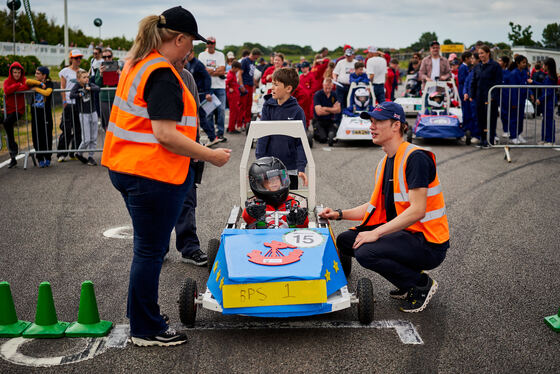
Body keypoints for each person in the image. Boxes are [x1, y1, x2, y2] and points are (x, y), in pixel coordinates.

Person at [101, 6, 231, 347]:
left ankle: (140, 316)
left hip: (126, 168)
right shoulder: (161, 72)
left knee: (147, 250)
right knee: (150, 251)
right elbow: (165, 133)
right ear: (179, 39)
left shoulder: (137, 63)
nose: (192, 52)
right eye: (191, 44)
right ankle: (146, 328)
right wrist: (211, 156)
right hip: (151, 174)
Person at [319, 101, 449, 313]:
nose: (372, 126)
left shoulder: (415, 158)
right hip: (405, 234)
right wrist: (339, 214)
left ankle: (419, 284)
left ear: (396, 125)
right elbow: (373, 207)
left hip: (428, 242)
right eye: (371, 121)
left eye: (378, 121)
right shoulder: (385, 162)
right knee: (345, 241)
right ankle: (406, 280)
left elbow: (418, 210)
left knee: (365, 251)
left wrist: (376, 233)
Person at [172, 58, 207, 266]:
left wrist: (197, 143)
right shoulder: (157, 75)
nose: (185, 59)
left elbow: (194, 113)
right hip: (162, 151)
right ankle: (158, 249)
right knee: (160, 203)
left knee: (187, 199)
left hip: (186, 148)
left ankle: (189, 248)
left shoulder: (187, 77)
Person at [255, 67, 308, 189]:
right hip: (270, 167)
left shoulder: (297, 112)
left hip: (290, 168)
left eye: (276, 85)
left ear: (288, 89)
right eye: (272, 84)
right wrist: (260, 163)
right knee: (269, 200)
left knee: (289, 201)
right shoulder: (268, 107)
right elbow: (263, 136)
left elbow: (301, 142)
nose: (272, 88)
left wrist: (301, 167)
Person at [242, 157, 309, 229]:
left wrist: (300, 218)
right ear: (260, 184)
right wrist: (251, 212)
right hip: (261, 238)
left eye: (277, 179)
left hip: (285, 237)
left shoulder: (291, 202)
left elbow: (303, 225)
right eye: (269, 180)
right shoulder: (257, 204)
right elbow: (247, 218)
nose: (274, 182)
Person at [470, 45, 503, 147]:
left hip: (490, 98)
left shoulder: (495, 66)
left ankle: (490, 139)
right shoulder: (477, 67)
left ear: (488, 53)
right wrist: (472, 94)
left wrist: (493, 95)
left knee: (491, 119)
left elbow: (498, 82)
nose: (481, 55)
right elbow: (474, 81)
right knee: (481, 119)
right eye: (479, 54)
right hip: (479, 97)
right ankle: (482, 139)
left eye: (482, 53)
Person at [186, 50, 219, 146]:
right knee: (199, 118)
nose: (187, 56)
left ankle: (211, 137)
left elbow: (207, 77)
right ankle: (209, 137)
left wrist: (207, 92)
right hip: (194, 93)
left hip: (200, 93)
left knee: (202, 117)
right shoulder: (189, 64)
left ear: (192, 53)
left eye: (188, 55)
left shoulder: (198, 64)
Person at [198, 36, 227, 141]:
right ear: (206, 44)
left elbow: (222, 70)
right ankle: (211, 134)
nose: (210, 45)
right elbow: (202, 70)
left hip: (220, 87)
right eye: (208, 43)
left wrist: (209, 70)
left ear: (215, 44)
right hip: (208, 88)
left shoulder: (220, 54)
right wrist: (216, 70)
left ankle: (220, 133)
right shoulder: (202, 55)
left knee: (221, 110)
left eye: (212, 43)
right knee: (209, 112)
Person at [57, 49, 83, 162]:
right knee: (66, 129)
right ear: (71, 59)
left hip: (78, 104)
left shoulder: (82, 71)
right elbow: (62, 87)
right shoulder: (65, 71)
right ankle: (61, 154)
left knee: (78, 129)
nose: (78, 60)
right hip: (68, 103)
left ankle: (74, 152)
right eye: (76, 58)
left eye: (80, 58)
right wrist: (64, 101)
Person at [70, 69, 100, 166]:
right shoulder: (77, 86)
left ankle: (91, 156)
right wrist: (80, 94)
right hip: (83, 114)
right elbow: (71, 95)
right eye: (84, 77)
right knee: (86, 138)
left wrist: (90, 89)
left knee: (93, 137)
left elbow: (98, 88)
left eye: (87, 77)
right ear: (78, 79)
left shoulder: (90, 85)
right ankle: (79, 153)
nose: (87, 79)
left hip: (93, 112)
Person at [26, 66, 54, 168]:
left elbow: (47, 92)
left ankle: (47, 157)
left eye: (38, 73)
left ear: (44, 75)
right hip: (35, 114)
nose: (35, 75)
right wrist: (39, 84)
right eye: (36, 73)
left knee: (46, 135)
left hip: (45, 114)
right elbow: (27, 81)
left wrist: (36, 89)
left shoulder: (49, 83)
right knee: (37, 135)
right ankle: (40, 158)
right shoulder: (34, 82)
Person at [2, 61, 29, 168]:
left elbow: (26, 87)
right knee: (8, 130)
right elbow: (6, 90)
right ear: (11, 73)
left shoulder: (24, 80)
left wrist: (15, 87)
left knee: (7, 123)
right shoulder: (7, 81)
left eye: (18, 72)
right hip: (8, 110)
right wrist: (18, 85)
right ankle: (13, 157)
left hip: (19, 110)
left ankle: (13, 148)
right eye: (14, 72)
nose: (17, 74)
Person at [94, 48, 120, 131]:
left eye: (109, 56)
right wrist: (101, 74)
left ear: (112, 56)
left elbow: (125, 82)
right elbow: (97, 84)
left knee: (118, 122)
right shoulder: (99, 68)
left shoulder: (119, 67)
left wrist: (120, 74)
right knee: (108, 123)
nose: (107, 59)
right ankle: (109, 141)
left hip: (117, 98)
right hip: (104, 98)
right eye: (105, 57)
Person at [535, 58, 557, 145]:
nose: (542, 67)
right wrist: (533, 82)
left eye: (544, 65)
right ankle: (545, 139)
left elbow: (549, 91)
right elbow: (544, 86)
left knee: (549, 121)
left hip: (549, 102)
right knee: (545, 120)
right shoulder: (548, 76)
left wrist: (540, 99)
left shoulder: (550, 77)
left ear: (547, 66)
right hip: (546, 101)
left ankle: (550, 140)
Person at [313, 77, 341, 146]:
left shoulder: (334, 94)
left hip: (330, 120)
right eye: (326, 87)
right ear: (323, 85)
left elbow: (338, 110)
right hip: (319, 121)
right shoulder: (318, 95)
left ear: (332, 86)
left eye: (330, 87)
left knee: (334, 136)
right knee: (323, 139)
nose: (328, 89)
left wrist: (325, 108)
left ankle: (328, 134)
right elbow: (319, 112)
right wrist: (332, 110)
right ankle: (317, 133)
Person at [239, 48, 262, 127]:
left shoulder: (253, 62)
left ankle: (247, 123)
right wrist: (241, 85)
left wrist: (255, 84)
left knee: (249, 105)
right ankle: (240, 124)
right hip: (245, 85)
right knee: (243, 105)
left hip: (250, 85)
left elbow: (251, 74)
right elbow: (240, 73)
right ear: (255, 54)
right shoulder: (245, 61)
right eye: (257, 56)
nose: (257, 58)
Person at [333, 47, 357, 114]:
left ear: (353, 55)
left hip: (352, 86)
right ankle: (339, 120)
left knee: (351, 102)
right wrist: (335, 78)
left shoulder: (356, 63)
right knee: (340, 102)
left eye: (350, 55)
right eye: (347, 55)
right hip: (341, 85)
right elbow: (335, 72)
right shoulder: (341, 62)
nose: (348, 57)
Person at [293, 61, 315, 128]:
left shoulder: (311, 76)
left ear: (308, 68)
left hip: (309, 98)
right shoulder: (301, 76)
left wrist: (307, 94)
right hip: (301, 98)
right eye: (302, 68)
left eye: (304, 67)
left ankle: (307, 126)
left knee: (307, 113)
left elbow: (313, 88)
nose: (303, 69)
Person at [458, 52, 473, 138]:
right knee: (466, 111)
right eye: (470, 58)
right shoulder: (462, 68)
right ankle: (465, 129)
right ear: (466, 58)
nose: (471, 59)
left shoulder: (467, 67)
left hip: (467, 91)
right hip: (463, 92)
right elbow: (462, 80)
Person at [226, 61, 243, 133]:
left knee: (235, 111)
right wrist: (228, 89)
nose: (237, 71)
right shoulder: (230, 75)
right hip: (232, 96)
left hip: (235, 95)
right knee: (233, 112)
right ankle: (231, 128)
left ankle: (231, 126)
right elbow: (226, 84)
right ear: (233, 68)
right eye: (237, 69)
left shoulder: (233, 74)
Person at [498, 55, 511, 137]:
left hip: (505, 95)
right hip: (497, 94)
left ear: (505, 63)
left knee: (505, 113)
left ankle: (507, 130)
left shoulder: (508, 73)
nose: (499, 62)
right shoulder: (497, 71)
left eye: (500, 61)